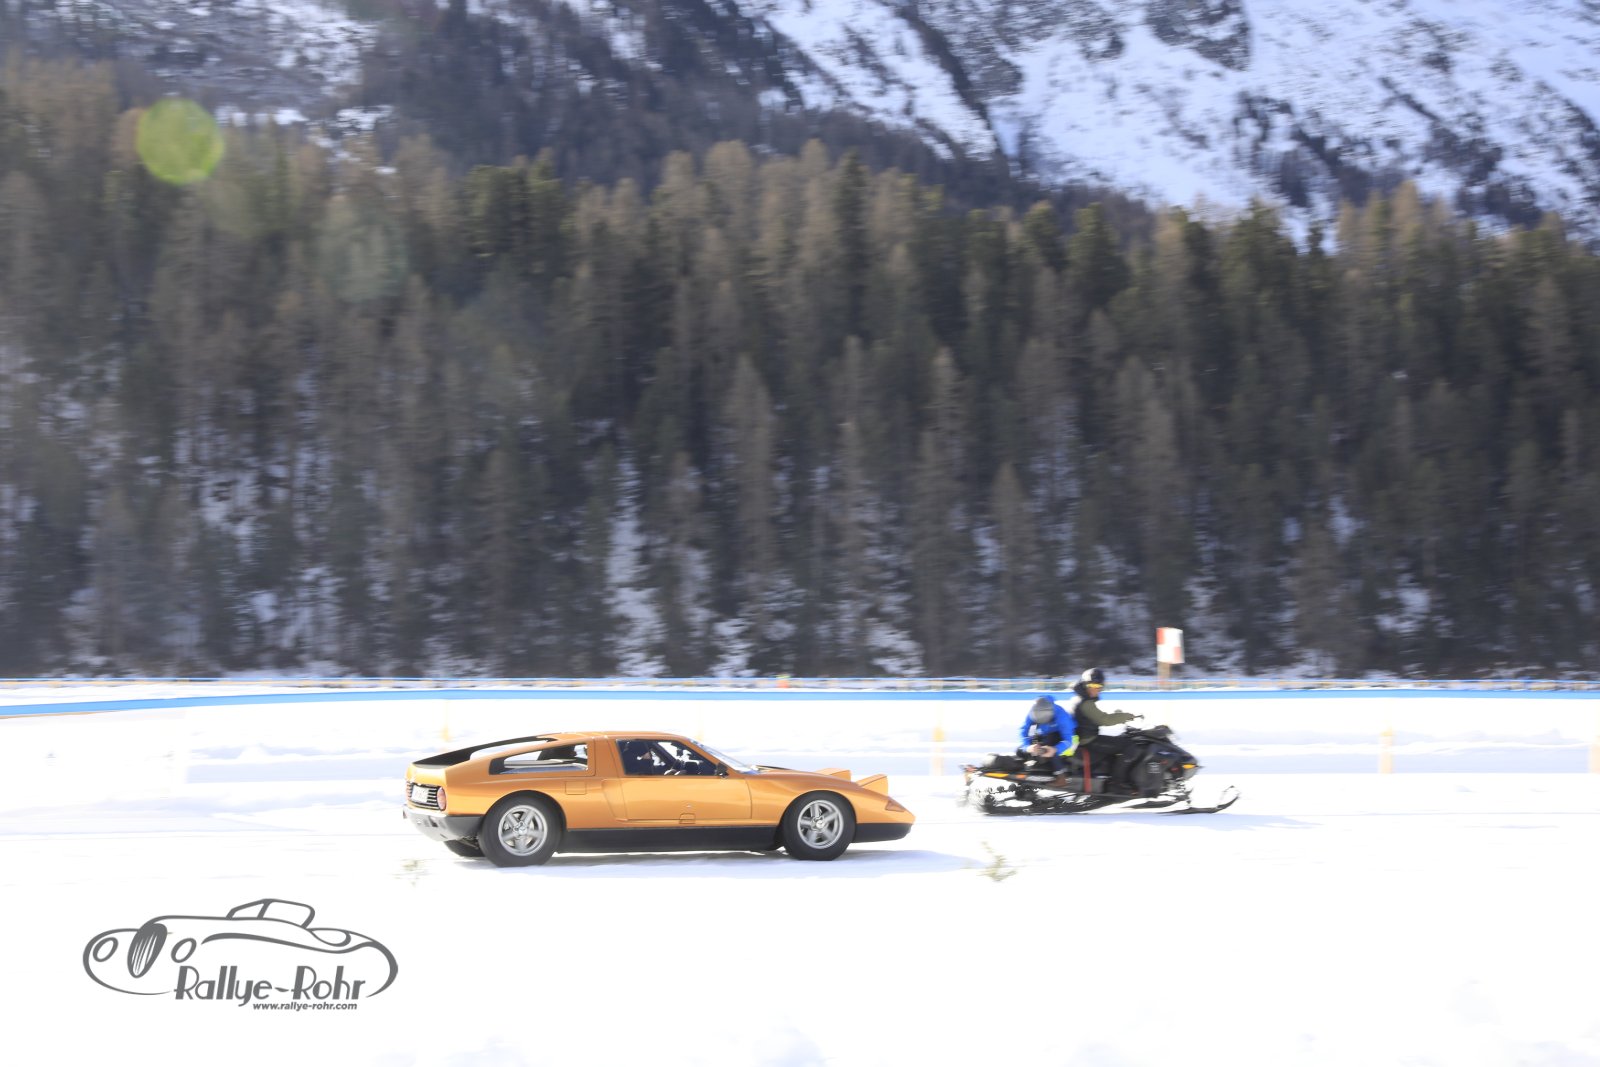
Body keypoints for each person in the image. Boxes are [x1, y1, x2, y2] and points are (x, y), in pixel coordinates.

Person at [1070, 668, 1141, 792]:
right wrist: (1127, 716)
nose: (1096, 689)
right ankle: (1117, 783)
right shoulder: (1086, 703)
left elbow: (1097, 717)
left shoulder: (1080, 699)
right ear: (1085, 684)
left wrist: (1118, 716)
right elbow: (1105, 720)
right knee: (1130, 745)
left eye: (1099, 686)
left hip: (1085, 738)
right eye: (1093, 685)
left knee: (1121, 740)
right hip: (1089, 740)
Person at [1018, 694, 1077, 780]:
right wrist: (1028, 747)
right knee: (1020, 750)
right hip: (1045, 733)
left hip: (1064, 734)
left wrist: (1055, 749)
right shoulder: (1033, 711)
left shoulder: (1061, 716)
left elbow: (1068, 740)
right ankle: (1034, 762)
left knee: (1049, 746)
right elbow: (1023, 730)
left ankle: (1061, 776)